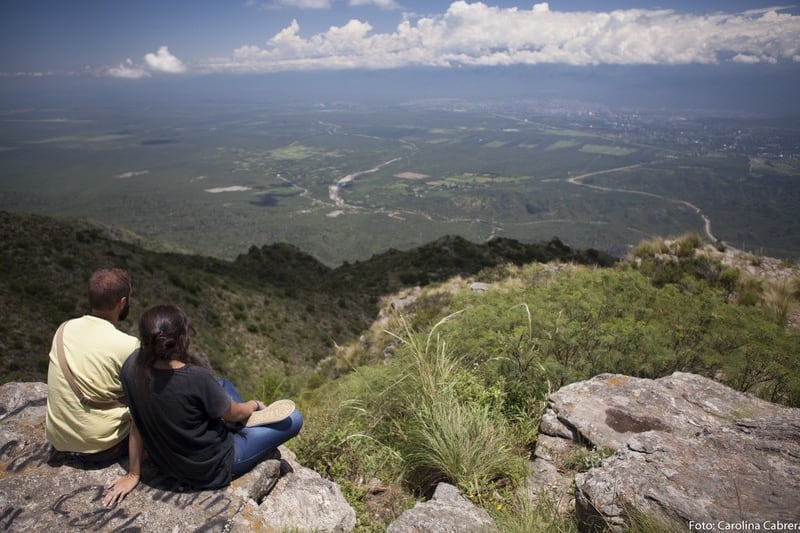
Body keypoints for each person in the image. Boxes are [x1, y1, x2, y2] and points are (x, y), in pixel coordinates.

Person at [103, 304, 303, 507]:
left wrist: (134, 473)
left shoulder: (130, 367)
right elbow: (233, 414)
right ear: (181, 339)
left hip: (167, 461)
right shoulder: (195, 378)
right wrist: (252, 405)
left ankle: (235, 420)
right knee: (294, 419)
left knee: (221, 384)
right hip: (212, 466)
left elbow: (137, 421)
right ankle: (244, 424)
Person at [45, 267, 139, 463]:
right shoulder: (128, 345)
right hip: (103, 446)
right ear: (122, 302)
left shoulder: (63, 329)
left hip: (59, 441)